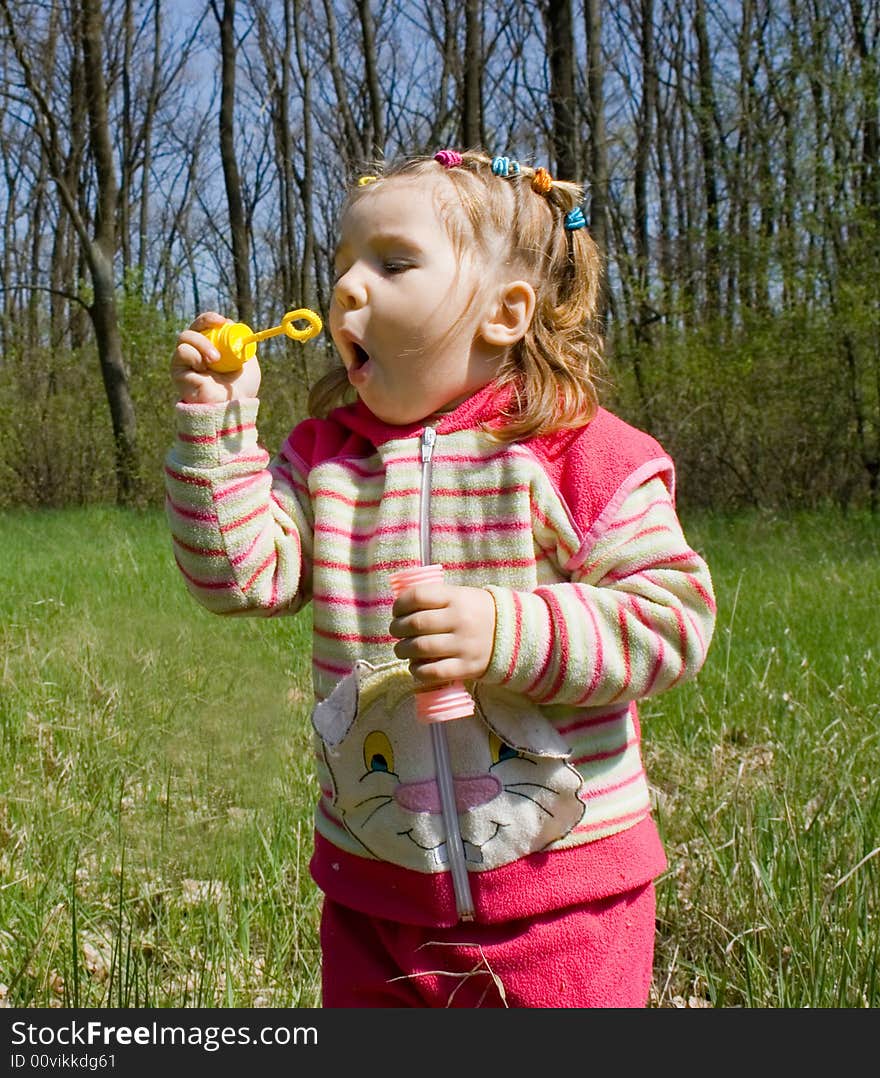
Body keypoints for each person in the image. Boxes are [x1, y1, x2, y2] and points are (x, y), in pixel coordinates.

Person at [165, 148, 716, 1008]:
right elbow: (237, 577)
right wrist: (218, 425)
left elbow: (671, 618)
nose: (347, 287)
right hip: (378, 897)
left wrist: (504, 633)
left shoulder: (579, 452)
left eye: (391, 264)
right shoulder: (327, 461)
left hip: (565, 900)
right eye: (342, 266)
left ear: (505, 312)